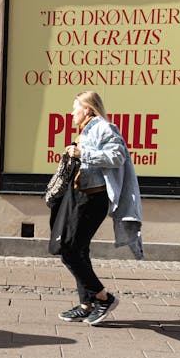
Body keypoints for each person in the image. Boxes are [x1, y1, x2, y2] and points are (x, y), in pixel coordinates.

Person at [54, 91, 143, 326]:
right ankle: (86, 304)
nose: (72, 113)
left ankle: (104, 297)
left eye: (75, 108)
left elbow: (117, 156)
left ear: (88, 110)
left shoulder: (105, 127)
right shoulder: (86, 130)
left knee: (69, 249)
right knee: (79, 250)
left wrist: (83, 153)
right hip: (80, 196)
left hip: (95, 199)